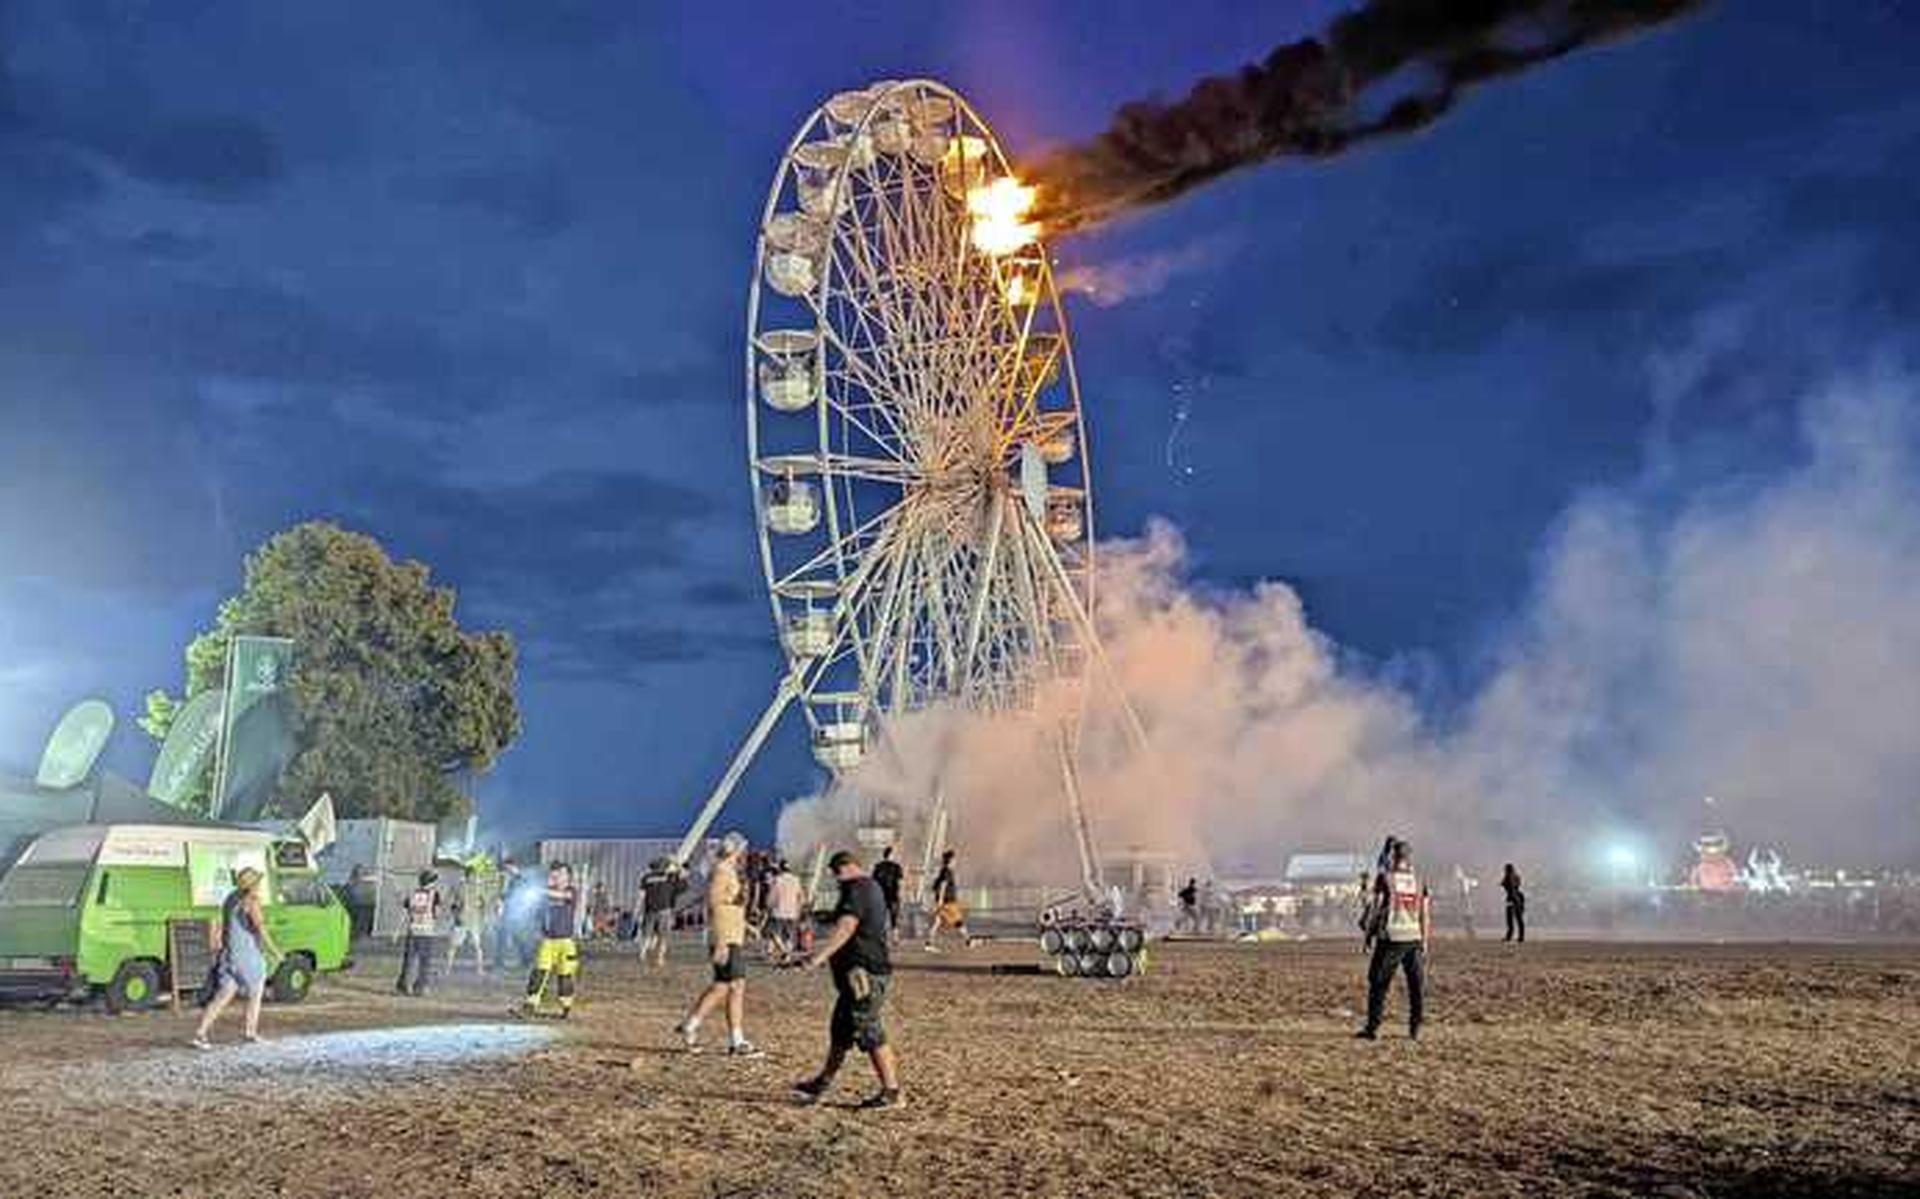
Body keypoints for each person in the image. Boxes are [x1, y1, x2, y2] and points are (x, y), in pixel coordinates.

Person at [794, 850, 902, 1110]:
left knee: (869, 1029)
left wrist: (817, 958)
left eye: (836, 873)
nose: (836, 880)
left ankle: (892, 1092)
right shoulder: (867, 887)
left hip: (865, 974)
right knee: (840, 1029)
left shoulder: (857, 888)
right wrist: (819, 915)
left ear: (845, 867)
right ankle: (822, 1081)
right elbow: (841, 917)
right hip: (857, 976)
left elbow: (847, 927)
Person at [673, 832, 761, 1056]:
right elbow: (713, 904)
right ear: (736, 850)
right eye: (743, 849)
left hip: (731, 934)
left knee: (723, 986)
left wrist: (746, 926)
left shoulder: (728, 871)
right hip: (725, 938)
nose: (744, 853)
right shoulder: (722, 871)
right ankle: (736, 1040)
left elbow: (727, 905)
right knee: (736, 986)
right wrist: (721, 941)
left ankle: (691, 1025)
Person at [192, 867, 283, 1048]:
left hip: (229, 954)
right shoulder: (251, 901)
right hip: (246, 954)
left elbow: (225, 926)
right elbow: (260, 929)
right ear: (253, 885)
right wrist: (275, 952)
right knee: (256, 992)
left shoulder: (231, 899)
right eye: (258, 882)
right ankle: (250, 1032)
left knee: (223, 996)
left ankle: (200, 1033)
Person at [1357, 839, 1430, 1041]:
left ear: (1393, 856)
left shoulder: (1385, 878)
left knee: (1378, 983)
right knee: (1416, 985)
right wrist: (1424, 942)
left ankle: (1373, 1028)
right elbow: (1425, 913)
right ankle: (1414, 1030)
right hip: (1413, 938)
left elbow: (1374, 910)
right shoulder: (1420, 880)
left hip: (1390, 938)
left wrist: (1366, 937)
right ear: (1409, 857)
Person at [519, 862, 581, 1018]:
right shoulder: (547, 893)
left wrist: (539, 889)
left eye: (560, 874)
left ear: (568, 877)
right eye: (554, 874)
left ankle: (566, 1007)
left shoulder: (571, 891)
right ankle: (530, 1004)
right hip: (548, 941)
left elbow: (562, 896)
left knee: (565, 976)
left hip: (566, 943)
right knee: (539, 973)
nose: (557, 877)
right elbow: (536, 911)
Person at [395, 869, 442, 996]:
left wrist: (397, 931)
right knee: (425, 961)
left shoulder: (413, 894)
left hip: (413, 930)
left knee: (409, 960)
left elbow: (405, 909)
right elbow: (437, 913)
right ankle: (421, 987)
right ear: (431, 882)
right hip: (426, 931)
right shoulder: (435, 895)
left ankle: (403, 985)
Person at [923, 849, 977, 952]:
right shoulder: (947, 871)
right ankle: (968, 941)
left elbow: (937, 886)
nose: (955, 862)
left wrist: (939, 900)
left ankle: (928, 943)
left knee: (937, 922)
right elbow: (943, 885)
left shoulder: (943, 871)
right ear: (951, 860)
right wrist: (940, 900)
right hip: (948, 903)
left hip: (945, 902)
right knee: (958, 921)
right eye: (954, 860)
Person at [446, 862, 493, 976]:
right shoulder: (461, 887)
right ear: (469, 875)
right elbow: (451, 902)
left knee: (476, 946)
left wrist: (485, 916)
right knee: (454, 946)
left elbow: (485, 904)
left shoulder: (477, 888)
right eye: (474, 875)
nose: (476, 877)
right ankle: (447, 968)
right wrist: (453, 913)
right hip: (463, 920)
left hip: (472, 921)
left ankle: (479, 969)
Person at [638, 857, 685, 968]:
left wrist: (639, 909)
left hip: (649, 909)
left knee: (647, 934)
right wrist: (677, 865)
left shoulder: (646, 877)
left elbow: (641, 894)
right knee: (663, 936)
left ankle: (643, 954)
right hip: (664, 909)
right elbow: (682, 884)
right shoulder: (669, 877)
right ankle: (659, 958)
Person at [765, 859, 804, 961]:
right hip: (792, 912)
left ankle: (783, 951)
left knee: (773, 933)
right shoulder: (796, 880)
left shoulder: (777, 880)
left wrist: (768, 905)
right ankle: (787, 956)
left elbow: (771, 897)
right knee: (789, 935)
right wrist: (799, 909)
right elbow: (801, 896)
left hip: (778, 912)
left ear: (780, 868)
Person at [871, 846, 904, 941]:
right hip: (893, 896)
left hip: (881, 896)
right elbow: (900, 882)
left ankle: (882, 936)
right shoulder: (897, 867)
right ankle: (895, 937)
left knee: (882, 917)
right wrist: (901, 894)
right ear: (891, 855)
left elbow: (874, 883)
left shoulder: (878, 867)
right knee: (894, 917)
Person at [1501, 863, 1526, 943]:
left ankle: (1510, 936)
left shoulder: (1508, 877)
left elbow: (1508, 887)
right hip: (1518, 898)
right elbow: (1517, 884)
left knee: (1510, 919)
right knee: (1519, 919)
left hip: (1512, 899)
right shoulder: (1516, 877)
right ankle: (1521, 937)